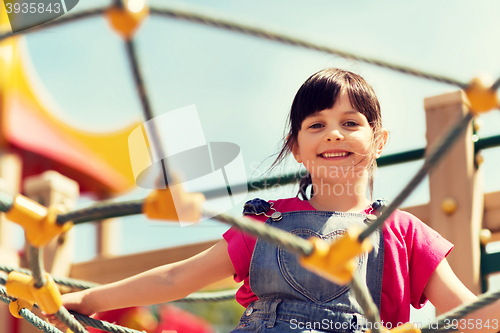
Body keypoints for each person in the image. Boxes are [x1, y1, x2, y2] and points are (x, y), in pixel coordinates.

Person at [46, 68, 499, 332]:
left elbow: (468, 312)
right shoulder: (269, 224)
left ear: (379, 140)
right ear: (297, 147)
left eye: (351, 122)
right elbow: (176, 279)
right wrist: (92, 301)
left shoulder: (403, 234)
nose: (334, 134)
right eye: (316, 125)